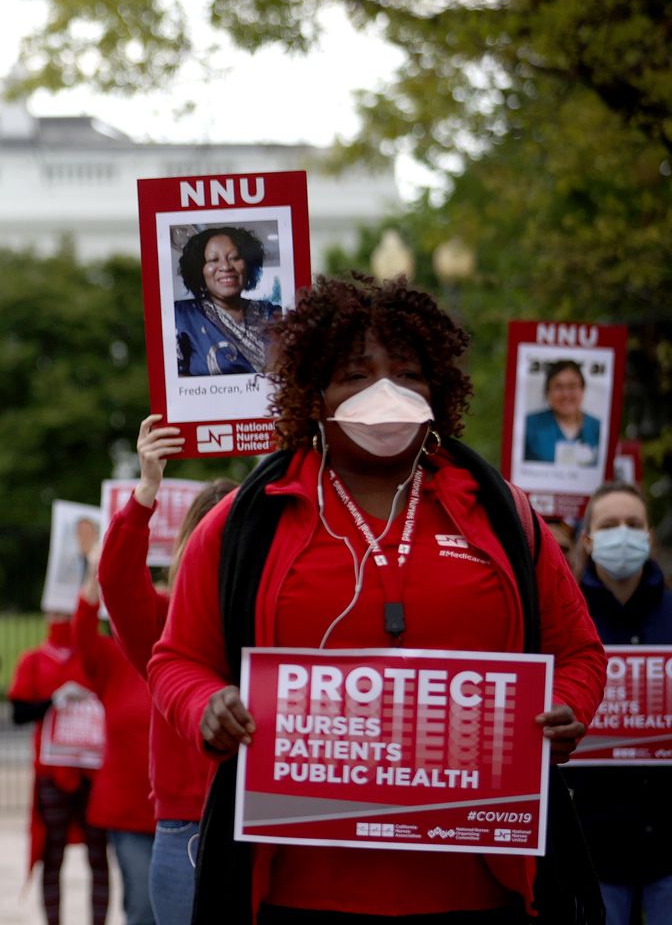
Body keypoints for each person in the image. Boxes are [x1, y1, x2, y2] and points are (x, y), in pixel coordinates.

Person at [149, 274, 608, 923]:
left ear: (438, 391)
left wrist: (566, 705)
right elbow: (176, 661)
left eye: (408, 374)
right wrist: (205, 704)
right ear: (315, 394)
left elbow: (580, 652)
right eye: (356, 375)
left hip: (480, 892)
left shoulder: (504, 514)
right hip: (295, 894)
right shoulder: (242, 523)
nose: (384, 394)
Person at [96, 417, 233, 925]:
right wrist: (146, 489)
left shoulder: (274, 615)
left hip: (265, 823)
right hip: (188, 829)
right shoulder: (162, 620)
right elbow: (115, 578)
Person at [564, 482, 672, 924]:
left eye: (633, 524)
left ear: (648, 536)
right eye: (609, 525)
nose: (622, 533)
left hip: (668, 846)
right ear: (588, 540)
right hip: (593, 847)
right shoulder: (566, 619)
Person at [9, 613, 109, 925]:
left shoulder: (99, 655)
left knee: (99, 856)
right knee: (52, 856)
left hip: (94, 773)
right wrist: (52, 700)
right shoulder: (34, 660)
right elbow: (18, 713)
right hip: (52, 774)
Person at [70, 573, 158, 925]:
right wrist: (95, 575)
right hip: (129, 811)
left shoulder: (187, 655)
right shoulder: (112, 658)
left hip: (185, 808)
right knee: (142, 907)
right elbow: (83, 635)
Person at [172, 226, 283, 377]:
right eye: (213, 260)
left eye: (235, 258)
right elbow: (172, 383)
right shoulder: (181, 316)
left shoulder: (275, 315)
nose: (226, 266)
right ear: (198, 270)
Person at [523, 360, 602, 466]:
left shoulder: (598, 427)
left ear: (582, 390)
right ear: (547, 392)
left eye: (572, 386)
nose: (565, 394)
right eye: (558, 387)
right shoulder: (529, 425)